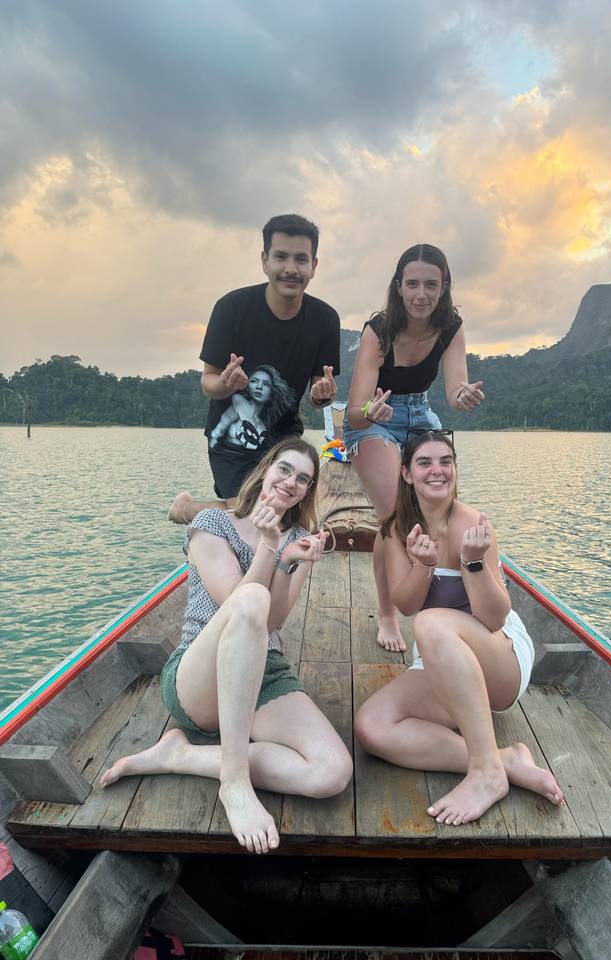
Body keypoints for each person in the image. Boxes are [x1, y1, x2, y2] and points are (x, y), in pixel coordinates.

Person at [102, 438, 353, 854]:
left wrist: (290, 562)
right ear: (267, 468)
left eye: (304, 479)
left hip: (262, 668)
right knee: (251, 599)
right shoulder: (211, 526)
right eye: (285, 470)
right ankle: (233, 781)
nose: (291, 483)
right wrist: (270, 549)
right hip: (200, 672)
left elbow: (272, 623)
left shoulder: (299, 538)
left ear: (307, 492)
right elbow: (240, 604)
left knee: (332, 773)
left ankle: (179, 757)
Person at [354, 431, 564, 825]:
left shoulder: (473, 525)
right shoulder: (397, 530)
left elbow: (494, 618)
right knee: (372, 727)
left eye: (445, 461)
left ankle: (486, 774)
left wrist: (472, 563)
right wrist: (425, 565)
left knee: (431, 624)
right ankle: (507, 760)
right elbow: (407, 604)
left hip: (500, 656)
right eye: (425, 463)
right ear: (406, 473)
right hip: (440, 655)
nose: (437, 471)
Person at [343, 244, 484, 652]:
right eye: (412, 284)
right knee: (393, 522)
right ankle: (389, 613)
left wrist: (463, 398)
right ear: (399, 287)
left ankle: (444, 603)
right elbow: (354, 412)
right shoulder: (379, 330)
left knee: (440, 506)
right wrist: (373, 410)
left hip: (421, 414)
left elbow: (455, 391)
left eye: (430, 285)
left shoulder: (451, 327)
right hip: (375, 421)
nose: (421, 294)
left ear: (443, 288)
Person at [169, 213, 340, 524]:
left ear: (314, 266)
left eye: (301, 259)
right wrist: (226, 384)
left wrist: (322, 395)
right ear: (264, 260)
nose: (291, 268)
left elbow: (318, 394)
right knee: (250, 514)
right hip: (232, 438)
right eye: (281, 257)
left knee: (288, 516)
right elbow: (208, 382)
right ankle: (185, 510)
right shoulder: (231, 309)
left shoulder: (325, 319)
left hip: (284, 437)